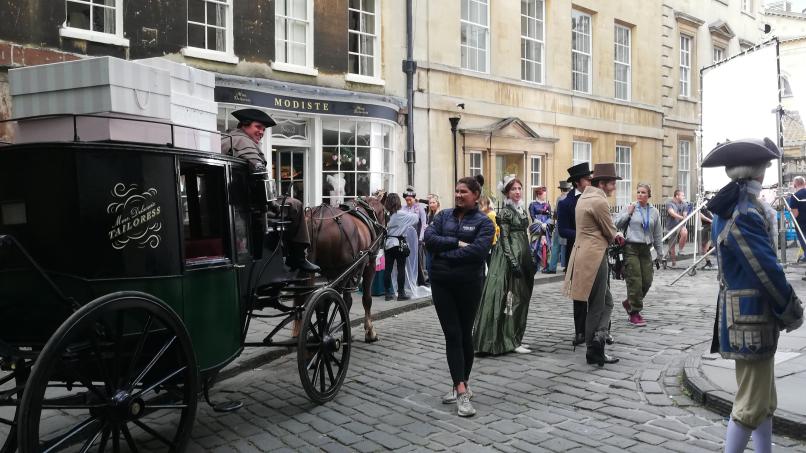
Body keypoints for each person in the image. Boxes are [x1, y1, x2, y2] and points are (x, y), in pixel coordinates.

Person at [702, 138, 803, 453]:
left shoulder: (736, 205)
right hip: (750, 314)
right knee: (751, 402)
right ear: (757, 172)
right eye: (766, 167)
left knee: (763, 398)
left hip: (749, 313)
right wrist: (790, 306)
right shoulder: (744, 210)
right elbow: (766, 269)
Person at [425, 176, 494, 417]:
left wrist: (445, 255)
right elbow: (429, 239)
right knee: (452, 334)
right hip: (442, 284)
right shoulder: (443, 216)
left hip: (469, 284)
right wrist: (457, 243)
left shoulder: (484, 223)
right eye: (456, 191)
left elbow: (478, 252)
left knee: (466, 334)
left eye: (463, 191)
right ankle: (461, 391)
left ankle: (461, 381)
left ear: (476, 195)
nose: (458, 195)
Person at [221, 108, 319, 273]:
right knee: (295, 205)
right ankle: (297, 257)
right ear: (244, 125)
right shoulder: (243, 142)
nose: (261, 132)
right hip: (247, 205)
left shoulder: (227, 138)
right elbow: (259, 172)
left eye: (264, 129)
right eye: (258, 127)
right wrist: (272, 204)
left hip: (232, 201)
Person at [564, 163, 624, 366]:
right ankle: (594, 348)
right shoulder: (598, 201)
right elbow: (610, 230)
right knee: (599, 304)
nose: (614, 187)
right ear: (603, 183)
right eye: (612, 183)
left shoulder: (584, 198)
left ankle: (598, 339)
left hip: (584, 255)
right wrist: (618, 235)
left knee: (605, 301)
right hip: (595, 257)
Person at [473, 176, 536, 355]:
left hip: (522, 255)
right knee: (511, 299)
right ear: (507, 192)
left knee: (521, 298)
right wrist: (513, 261)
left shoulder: (522, 210)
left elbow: (525, 236)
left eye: (519, 188)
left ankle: (516, 337)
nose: (517, 191)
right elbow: (505, 239)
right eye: (513, 189)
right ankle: (509, 340)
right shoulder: (506, 213)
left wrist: (529, 258)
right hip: (509, 258)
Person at [615, 183, 663, 327]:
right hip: (631, 247)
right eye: (638, 192)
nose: (640, 195)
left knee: (647, 280)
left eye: (643, 192)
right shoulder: (631, 207)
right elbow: (616, 223)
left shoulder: (654, 211)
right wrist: (628, 213)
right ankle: (634, 312)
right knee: (635, 279)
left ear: (649, 195)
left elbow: (657, 233)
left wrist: (660, 253)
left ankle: (630, 302)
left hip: (645, 249)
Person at [557, 162, 593, 346]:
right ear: (578, 182)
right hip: (577, 252)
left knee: (599, 292)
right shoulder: (566, 203)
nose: (591, 182)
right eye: (588, 179)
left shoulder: (596, 198)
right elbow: (563, 230)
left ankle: (600, 329)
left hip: (596, 252)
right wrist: (583, 235)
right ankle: (580, 331)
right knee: (579, 294)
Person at [383, 193, 419, 301]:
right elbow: (416, 218)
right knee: (400, 268)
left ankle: (388, 294)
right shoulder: (401, 214)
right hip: (399, 243)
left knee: (388, 269)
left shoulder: (386, 215)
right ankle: (401, 293)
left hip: (388, 243)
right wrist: (415, 206)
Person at [402, 186, 428, 286]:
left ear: (414, 198)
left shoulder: (419, 208)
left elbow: (424, 224)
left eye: (410, 200)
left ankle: (420, 280)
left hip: (416, 236)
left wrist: (421, 238)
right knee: (407, 259)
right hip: (406, 236)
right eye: (407, 200)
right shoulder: (403, 208)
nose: (408, 202)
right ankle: (408, 280)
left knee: (417, 259)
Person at [546, 181, 572, 273]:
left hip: (560, 224)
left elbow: (556, 213)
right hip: (570, 225)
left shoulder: (560, 198)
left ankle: (552, 268)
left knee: (556, 246)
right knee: (566, 246)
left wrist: (552, 223)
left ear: (561, 189)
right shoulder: (572, 198)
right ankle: (566, 266)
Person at [528, 187, 552, 272]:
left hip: (546, 227)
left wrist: (546, 224)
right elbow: (532, 216)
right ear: (538, 195)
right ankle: (535, 265)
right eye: (543, 194)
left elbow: (550, 217)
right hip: (537, 227)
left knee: (547, 245)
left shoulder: (547, 205)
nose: (545, 196)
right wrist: (540, 224)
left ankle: (546, 265)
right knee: (536, 245)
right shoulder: (532, 204)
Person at [664, 189, 689, 268]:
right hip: (671, 226)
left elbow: (685, 213)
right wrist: (682, 217)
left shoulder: (684, 204)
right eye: (682, 195)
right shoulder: (669, 203)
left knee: (684, 232)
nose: (684, 197)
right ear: (677, 196)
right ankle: (673, 263)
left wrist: (685, 216)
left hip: (680, 225)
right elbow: (672, 213)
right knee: (672, 246)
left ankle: (680, 250)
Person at [787, 176, 806, 261]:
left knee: (803, 240)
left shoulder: (795, 197)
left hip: (801, 224)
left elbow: (795, 214)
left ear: (795, 185)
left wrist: (790, 213)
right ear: (804, 183)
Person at [424, 194, 441, 281]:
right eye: (430, 203)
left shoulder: (440, 214)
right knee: (428, 262)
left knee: (434, 262)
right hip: (429, 241)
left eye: (433, 202)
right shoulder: (429, 214)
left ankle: (435, 280)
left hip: (436, 242)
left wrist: (429, 227)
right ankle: (431, 280)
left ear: (437, 203)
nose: (431, 204)